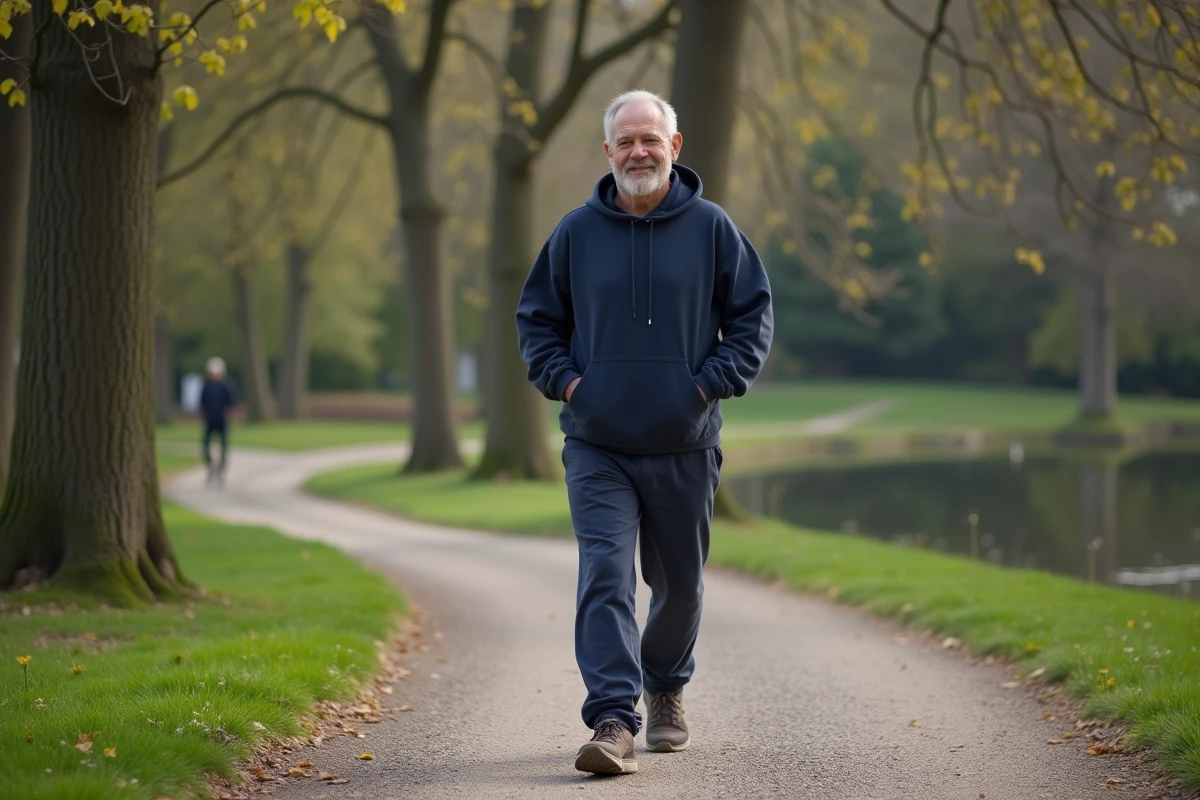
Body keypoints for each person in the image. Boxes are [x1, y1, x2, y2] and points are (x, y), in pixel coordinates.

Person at [515, 89, 774, 775]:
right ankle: (612, 718)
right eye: (625, 141)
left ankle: (666, 686)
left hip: (685, 444)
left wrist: (705, 384)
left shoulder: (714, 229)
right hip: (597, 443)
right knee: (604, 573)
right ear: (608, 151)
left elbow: (753, 318)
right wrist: (572, 385)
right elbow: (536, 323)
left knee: (679, 585)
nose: (638, 152)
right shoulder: (575, 233)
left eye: (650, 140)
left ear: (674, 146)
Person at [199, 357, 238, 486]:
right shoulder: (206, 387)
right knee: (205, 445)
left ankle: (221, 471)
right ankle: (210, 466)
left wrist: (229, 414)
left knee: (223, 446)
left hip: (222, 421)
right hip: (209, 421)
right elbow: (202, 404)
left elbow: (231, 403)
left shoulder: (227, 386)